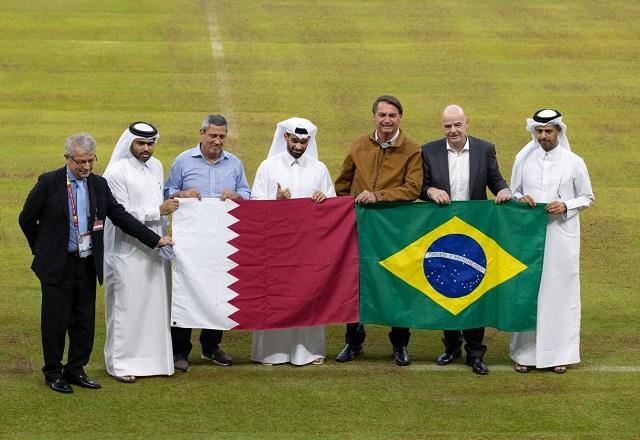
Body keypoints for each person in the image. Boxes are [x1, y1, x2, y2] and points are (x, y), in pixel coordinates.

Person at [19, 133, 173, 394]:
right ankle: (53, 372)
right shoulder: (49, 183)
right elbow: (26, 219)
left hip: (87, 263)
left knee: (84, 321)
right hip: (57, 265)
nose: (87, 167)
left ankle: (76, 369)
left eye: (91, 161)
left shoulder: (98, 185)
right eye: (81, 162)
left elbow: (122, 217)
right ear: (68, 159)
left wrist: (156, 240)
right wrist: (43, 252)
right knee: (56, 321)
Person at [420, 104, 512, 375]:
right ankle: (450, 346)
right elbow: (420, 185)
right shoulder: (429, 150)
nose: (453, 130)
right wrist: (431, 191)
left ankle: (475, 352)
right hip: (442, 233)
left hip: (474, 234)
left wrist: (504, 190)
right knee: (446, 288)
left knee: (473, 289)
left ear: (467, 123)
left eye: (457, 125)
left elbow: (495, 180)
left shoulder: (485, 149)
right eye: (447, 126)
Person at [334, 95, 423, 366]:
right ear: (374, 117)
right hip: (361, 226)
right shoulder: (360, 144)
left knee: (397, 282)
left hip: (395, 228)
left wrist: (378, 195)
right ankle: (353, 340)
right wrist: (346, 211)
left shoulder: (412, 149)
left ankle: (399, 343)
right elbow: (343, 183)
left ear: (400, 118)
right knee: (356, 281)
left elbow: (413, 188)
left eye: (392, 116)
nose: (387, 120)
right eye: (382, 115)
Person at [509, 109, 594, 374]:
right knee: (528, 290)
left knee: (559, 292)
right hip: (528, 236)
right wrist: (521, 199)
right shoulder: (523, 159)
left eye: (549, 131)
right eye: (540, 131)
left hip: (561, 237)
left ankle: (560, 354)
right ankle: (524, 353)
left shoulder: (574, 162)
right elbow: (513, 191)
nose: (544, 136)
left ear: (559, 131)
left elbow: (587, 197)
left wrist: (566, 204)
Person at [164, 114, 251, 372]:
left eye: (222, 136)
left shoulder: (234, 164)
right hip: (190, 242)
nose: (217, 141)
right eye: (213, 135)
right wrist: (182, 194)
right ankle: (180, 350)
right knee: (185, 290)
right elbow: (167, 192)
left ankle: (211, 346)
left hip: (222, 240)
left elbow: (247, 195)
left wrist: (235, 195)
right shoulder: (183, 161)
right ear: (201, 134)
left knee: (219, 290)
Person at [250, 117, 335, 366]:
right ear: (285, 138)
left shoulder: (319, 168)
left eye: (304, 142)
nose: (299, 146)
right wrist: (276, 200)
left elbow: (332, 204)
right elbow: (255, 204)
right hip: (276, 246)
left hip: (308, 246)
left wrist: (324, 198)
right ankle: (271, 352)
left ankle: (307, 351)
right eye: (295, 140)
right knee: (276, 295)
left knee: (309, 294)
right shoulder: (268, 166)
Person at [103, 122, 179, 383]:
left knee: (153, 306)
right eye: (141, 144)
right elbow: (119, 215)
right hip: (125, 250)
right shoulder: (116, 172)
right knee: (125, 308)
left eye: (150, 144)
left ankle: (155, 361)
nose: (146, 149)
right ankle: (120, 364)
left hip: (154, 248)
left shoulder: (156, 166)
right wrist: (158, 211)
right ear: (130, 144)